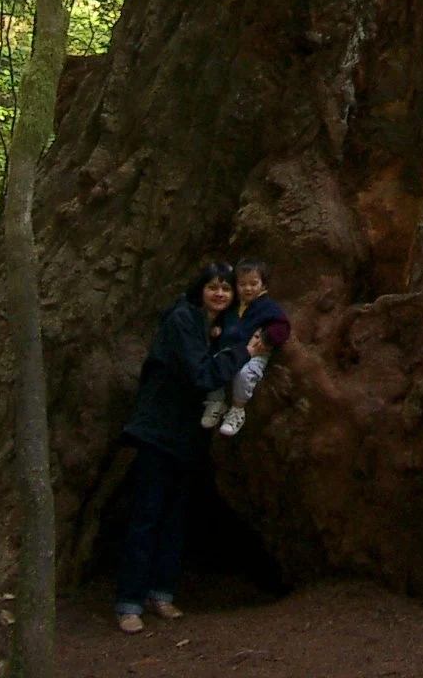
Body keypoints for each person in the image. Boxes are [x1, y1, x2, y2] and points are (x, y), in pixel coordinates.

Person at [115, 261, 269, 634]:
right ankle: (129, 602)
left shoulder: (217, 327)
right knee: (147, 515)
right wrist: (245, 353)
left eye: (226, 288)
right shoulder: (182, 320)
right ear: (200, 289)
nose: (219, 293)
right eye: (213, 286)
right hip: (158, 430)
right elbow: (201, 373)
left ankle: (161, 594)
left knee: (173, 516)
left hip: (187, 434)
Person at [201, 257, 291, 437]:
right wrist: (216, 329)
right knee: (212, 365)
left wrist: (266, 338)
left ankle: (237, 410)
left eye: (253, 283)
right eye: (242, 284)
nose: (248, 288)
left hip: (253, 354)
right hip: (229, 349)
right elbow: (221, 319)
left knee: (245, 375)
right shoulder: (233, 305)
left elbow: (283, 327)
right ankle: (216, 402)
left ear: (263, 285)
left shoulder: (267, 307)